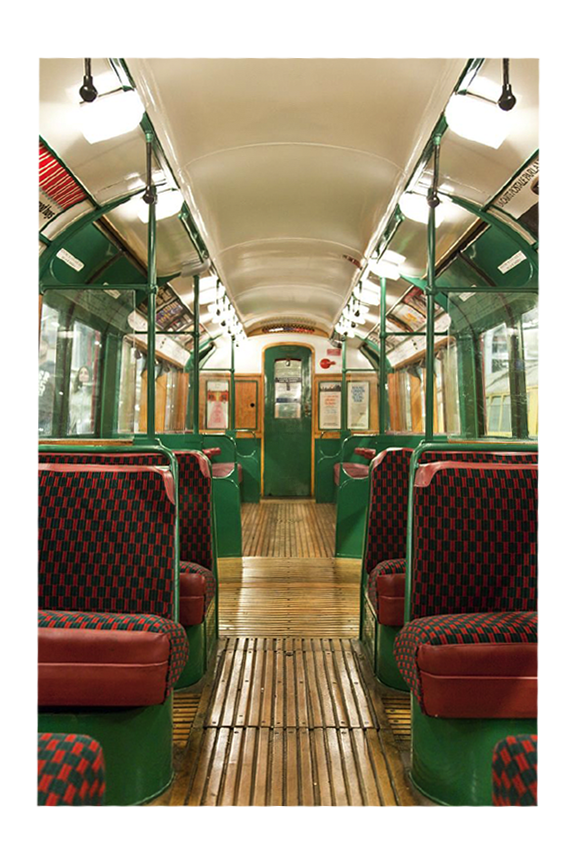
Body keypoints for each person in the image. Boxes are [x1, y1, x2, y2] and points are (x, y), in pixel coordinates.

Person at [69, 365, 93, 434]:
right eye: (81, 373)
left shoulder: (92, 393)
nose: (82, 375)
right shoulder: (74, 391)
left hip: (87, 429)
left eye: (86, 373)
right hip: (74, 428)